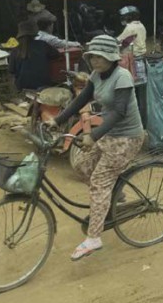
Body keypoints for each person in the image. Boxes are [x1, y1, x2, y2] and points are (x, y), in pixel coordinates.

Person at [49, 35, 146, 261]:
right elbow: (80, 100)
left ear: (112, 58)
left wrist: (93, 136)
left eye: (100, 57)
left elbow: (119, 112)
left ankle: (94, 238)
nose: (95, 61)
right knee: (82, 167)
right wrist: (57, 119)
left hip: (127, 138)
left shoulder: (122, 77)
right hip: (109, 134)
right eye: (92, 56)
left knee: (100, 182)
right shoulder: (95, 75)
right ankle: (116, 193)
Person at [8, 20, 60, 91]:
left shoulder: (15, 51)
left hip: (22, 87)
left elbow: (11, 71)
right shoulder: (42, 45)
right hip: (43, 85)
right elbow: (57, 54)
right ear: (33, 34)